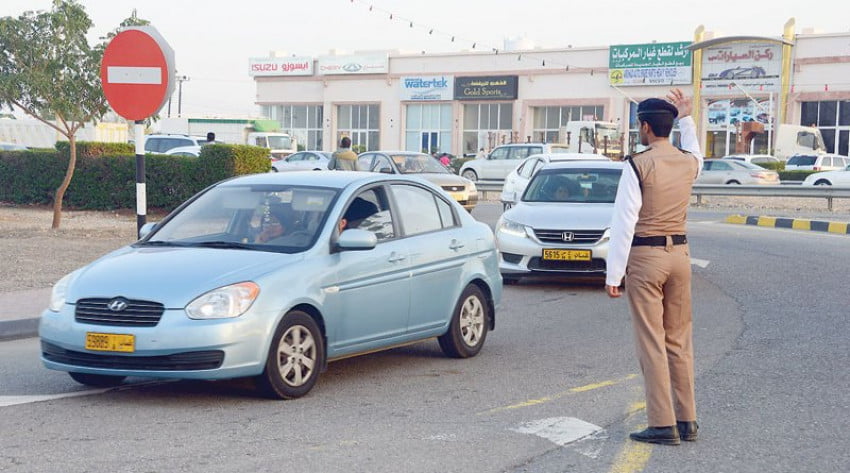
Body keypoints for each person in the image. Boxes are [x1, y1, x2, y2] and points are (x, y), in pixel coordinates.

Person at [605, 88, 704, 446]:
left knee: (652, 342)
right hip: (680, 255)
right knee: (679, 340)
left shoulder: (637, 164)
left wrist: (613, 274)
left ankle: (662, 424)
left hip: (646, 258)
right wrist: (688, 117)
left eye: (639, 126)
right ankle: (686, 419)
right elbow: (697, 152)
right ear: (670, 127)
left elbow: (624, 222)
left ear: (645, 127)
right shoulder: (688, 162)